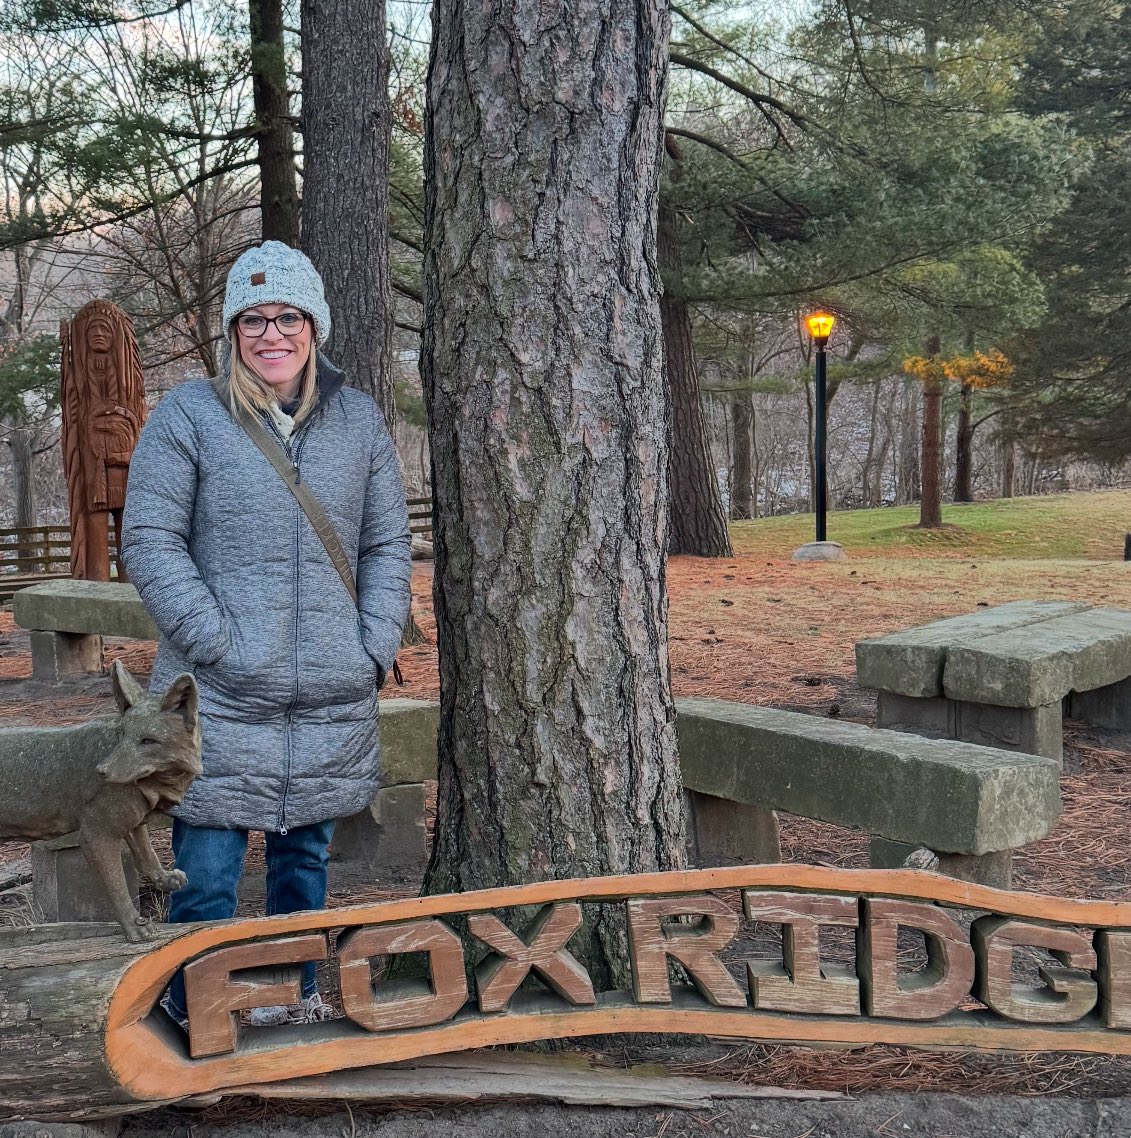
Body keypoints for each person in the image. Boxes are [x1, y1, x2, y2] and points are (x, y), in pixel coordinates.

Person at [122, 241, 412, 1027]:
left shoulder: (356, 419)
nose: (270, 333)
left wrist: (372, 641)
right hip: (217, 691)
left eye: (287, 316)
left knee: (303, 859)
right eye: (252, 318)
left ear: (313, 325)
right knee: (208, 868)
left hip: (329, 686)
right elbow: (149, 538)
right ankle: (197, 1012)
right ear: (232, 331)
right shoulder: (190, 415)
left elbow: (386, 542)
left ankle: (290, 997)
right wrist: (215, 641)